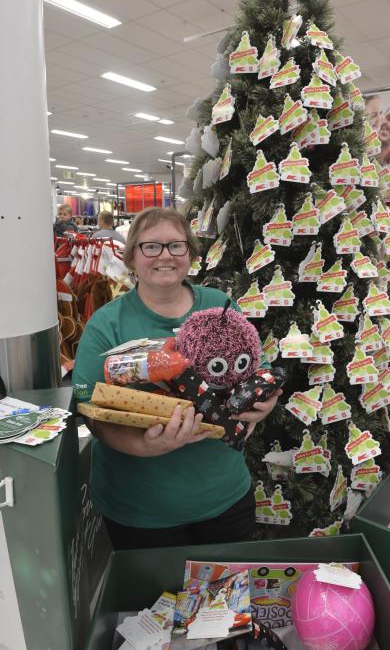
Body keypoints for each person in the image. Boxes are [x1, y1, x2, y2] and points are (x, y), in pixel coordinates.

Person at [72, 207, 281, 550]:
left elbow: (260, 367)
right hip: (140, 512)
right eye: (150, 246)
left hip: (224, 501)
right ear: (132, 256)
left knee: (225, 598)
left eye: (176, 246)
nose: (164, 256)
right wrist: (143, 446)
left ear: (190, 253)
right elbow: (86, 402)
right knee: (146, 603)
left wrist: (263, 404)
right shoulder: (106, 324)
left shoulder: (220, 306)